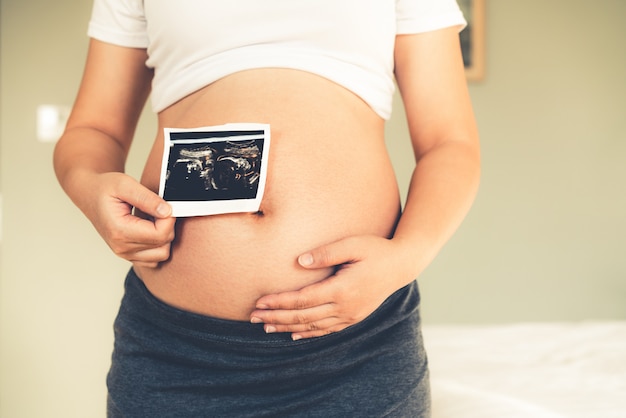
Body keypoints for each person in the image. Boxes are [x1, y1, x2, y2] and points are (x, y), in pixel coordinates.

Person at [53, 1, 480, 416]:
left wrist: (406, 258)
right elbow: (94, 128)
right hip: (176, 353)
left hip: (355, 348)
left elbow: (449, 143)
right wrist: (90, 188)